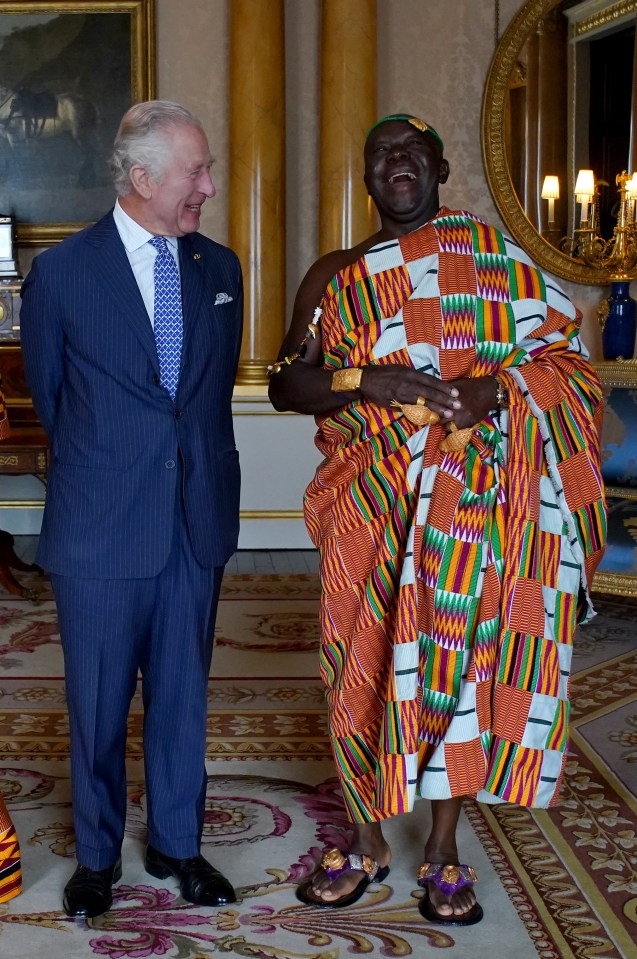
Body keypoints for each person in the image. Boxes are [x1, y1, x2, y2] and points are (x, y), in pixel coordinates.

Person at [269, 114, 606, 925]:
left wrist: (499, 389)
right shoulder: (336, 273)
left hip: (472, 510)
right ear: (365, 175)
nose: (398, 164)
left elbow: (564, 360)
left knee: (455, 663)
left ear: (442, 169)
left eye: (414, 153)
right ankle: (364, 835)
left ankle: (444, 845)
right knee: (361, 663)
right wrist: (369, 381)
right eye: (382, 153)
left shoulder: (502, 268)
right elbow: (287, 383)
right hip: (370, 509)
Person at [20, 100, 243, 919]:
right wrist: (115, 467)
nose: (208, 187)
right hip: (101, 525)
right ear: (142, 177)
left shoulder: (220, 269)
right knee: (99, 705)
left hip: (196, 519)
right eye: (196, 172)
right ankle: (96, 857)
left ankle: (180, 846)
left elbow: (205, 399)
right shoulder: (65, 273)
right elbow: (51, 395)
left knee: (183, 698)